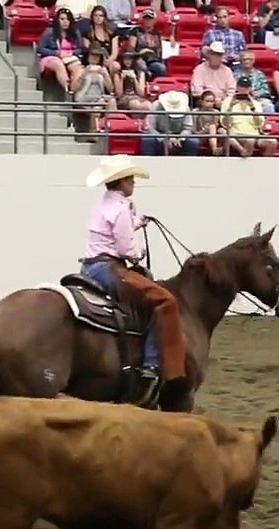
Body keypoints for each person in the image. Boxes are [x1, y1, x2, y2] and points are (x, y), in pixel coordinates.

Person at [80, 156, 190, 404]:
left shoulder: (104, 204)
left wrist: (138, 223)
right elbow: (126, 250)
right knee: (164, 300)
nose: (133, 183)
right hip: (108, 269)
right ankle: (152, 364)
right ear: (119, 182)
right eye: (130, 178)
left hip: (89, 267)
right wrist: (139, 254)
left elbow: (116, 230)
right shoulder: (120, 209)